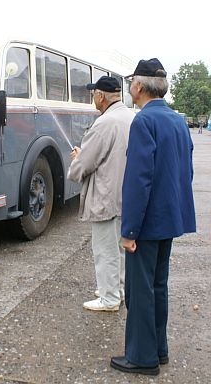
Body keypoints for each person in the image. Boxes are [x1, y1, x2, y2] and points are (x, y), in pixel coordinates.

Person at [110, 58, 196, 375]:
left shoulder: (143, 122)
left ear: (139, 86)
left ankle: (142, 357)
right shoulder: (177, 120)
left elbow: (138, 180)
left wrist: (129, 230)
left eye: (131, 82)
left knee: (139, 290)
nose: (130, 87)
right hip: (168, 220)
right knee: (158, 286)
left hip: (145, 224)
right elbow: (184, 173)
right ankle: (159, 350)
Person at [67, 76, 135, 312]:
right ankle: (119, 290)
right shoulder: (130, 116)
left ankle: (109, 299)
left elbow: (84, 164)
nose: (92, 98)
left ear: (101, 96)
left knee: (105, 250)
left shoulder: (105, 123)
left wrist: (77, 159)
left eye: (93, 93)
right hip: (126, 194)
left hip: (106, 195)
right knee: (119, 248)